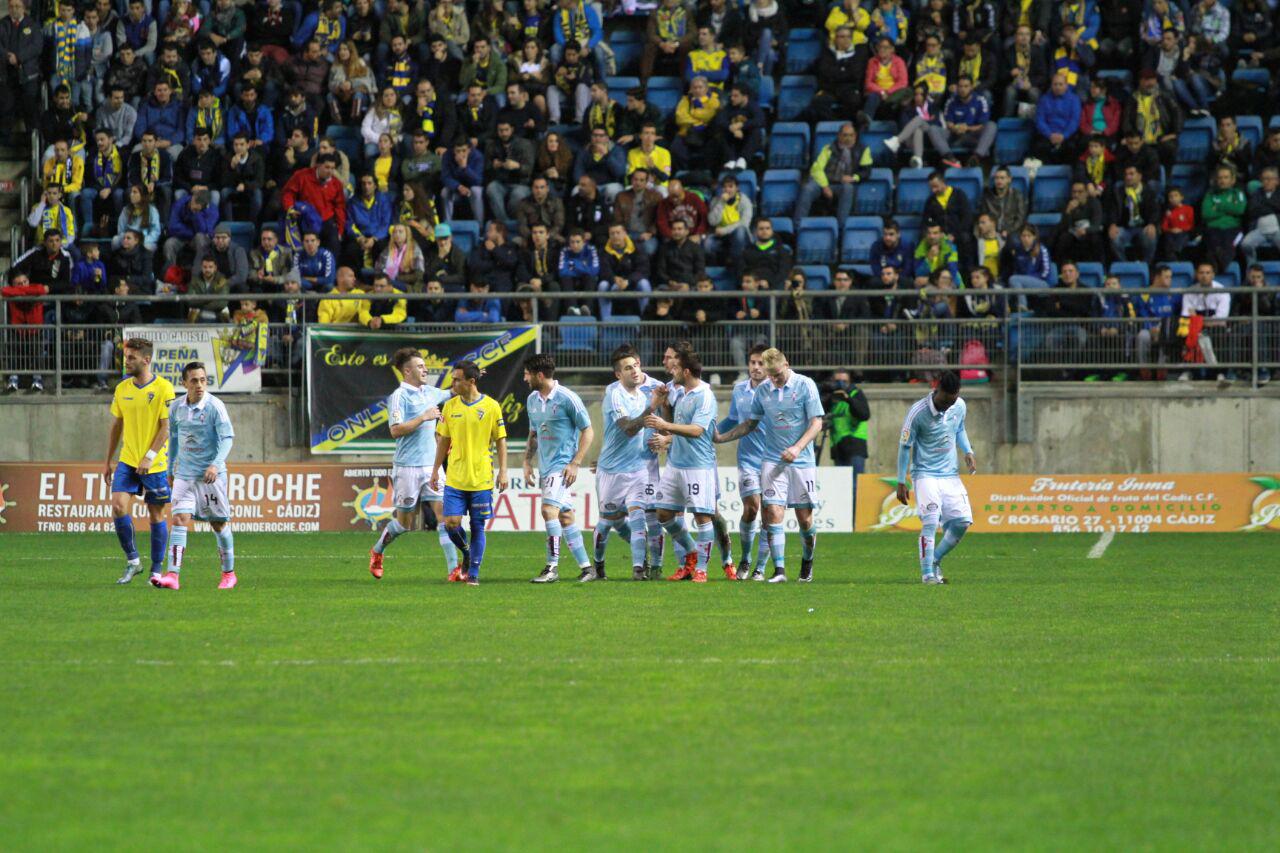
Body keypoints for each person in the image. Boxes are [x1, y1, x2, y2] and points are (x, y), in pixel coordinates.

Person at [713, 347, 824, 583]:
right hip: (772, 460)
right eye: (770, 375)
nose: (773, 378)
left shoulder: (805, 385)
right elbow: (749, 424)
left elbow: (816, 423)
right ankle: (779, 570)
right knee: (772, 512)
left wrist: (797, 447)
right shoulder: (763, 390)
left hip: (801, 461)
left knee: (805, 519)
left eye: (776, 374)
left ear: (786, 365)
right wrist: (723, 438)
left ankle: (807, 563)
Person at [369, 348, 461, 582]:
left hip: (432, 466)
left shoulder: (430, 392)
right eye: (420, 366)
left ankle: (454, 569)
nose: (425, 369)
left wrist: (471, 376)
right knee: (405, 523)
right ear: (407, 371)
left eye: (424, 366)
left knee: (446, 517)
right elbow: (395, 430)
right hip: (407, 467)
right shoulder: (399, 397)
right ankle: (377, 551)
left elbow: (453, 391)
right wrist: (423, 417)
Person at [428, 359, 508, 585]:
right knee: (451, 523)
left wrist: (503, 471)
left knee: (477, 526)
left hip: (481, 478)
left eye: (456, 379)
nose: (452, 383)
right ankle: (467, 553)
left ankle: (473, 574)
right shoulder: (451, 407)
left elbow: (501, 440)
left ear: (471, 382)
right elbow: (443, 440)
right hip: (455, 477)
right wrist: (435, 470)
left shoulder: (491, 406)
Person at [104, 338, 176, 585]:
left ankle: (156, 570)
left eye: (132, 357)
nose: (127, 361)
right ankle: (133, 561)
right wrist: (107, 461)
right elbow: (116, 425)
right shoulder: (122, 389)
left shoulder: (164, 388)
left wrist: (150, 456)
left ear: (146, 360)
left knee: (156, 515)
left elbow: (166, 428)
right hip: (127, 459)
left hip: (154, 464)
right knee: (117, 505)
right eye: (126, 356)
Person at [158, 361, 236, 591]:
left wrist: (215, 464)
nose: (200, 385)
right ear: (184, 383)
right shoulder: (176, 408)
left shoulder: (215, 407)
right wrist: (171, 469)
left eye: (203, 380)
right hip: (185, 475)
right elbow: (173, 439)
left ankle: (229, 574)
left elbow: (228, 438)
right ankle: (173, 575)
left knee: (218, 524)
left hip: (211, 476)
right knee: (179, 519)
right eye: (194, 380)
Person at [643, 347, 718, 583]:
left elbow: (696, 430)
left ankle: (702, 569)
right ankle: (692, 551)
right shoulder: (682, 392)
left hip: (698, 466)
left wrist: (665, 423)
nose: (670, 371)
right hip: (675, 463)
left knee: (702, 517)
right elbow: (670, 426)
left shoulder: (705, 395)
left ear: (686, 371)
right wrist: (664, 405)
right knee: (663, 513)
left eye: (675, 368)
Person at [896, 370, 975, 584]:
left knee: (962, 521)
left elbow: (959, 428)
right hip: (925, 475)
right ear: (936, 388)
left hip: (950, 475)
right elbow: (905, 447)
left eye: (952, 401)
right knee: (930, 522)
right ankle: (927, 574)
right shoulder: (918, 412)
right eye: (945, 400)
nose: (948, 405)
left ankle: (935, 560)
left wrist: (968, 451)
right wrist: (901, 481)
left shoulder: (958, 405)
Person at [592, 346, 664, 581]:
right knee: (606, 523)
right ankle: (598, 565)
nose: (634, 371)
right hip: (612, 471)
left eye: (635, 365)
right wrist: (652, 407)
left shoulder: (642, 396)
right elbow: (628, 429)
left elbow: (644, 430)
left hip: (638, 469)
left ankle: (638, 569)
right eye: (627, 368)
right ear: (618, 375)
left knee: (638, 518)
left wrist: (660, 442)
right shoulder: (614, 395)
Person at [522, 354, 595, 583]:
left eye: (527, 374)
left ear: (539, 375)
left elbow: (588, 431)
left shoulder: (567, 398)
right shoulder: (532, 399)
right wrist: (527, 461)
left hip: (562, 466)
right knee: (565, 516)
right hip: (545, 466)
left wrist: (575, 463)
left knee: (548, 511)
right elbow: (534, 433)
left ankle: (551, 567)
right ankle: (587, 568)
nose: (524, 378)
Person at [717, 344, 770, 580]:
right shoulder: (740, 389)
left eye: (761, 364)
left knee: (770, 514)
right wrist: (711, 434)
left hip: (774, 460)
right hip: (748, 459)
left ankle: (760, 566)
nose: (756, 368)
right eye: (753, 363)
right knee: (751, 508)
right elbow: (732, 418)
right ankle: (746, 559)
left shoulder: (776, 391)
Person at [795, 122, 870, 223]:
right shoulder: (828, 148)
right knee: (808, 188)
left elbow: (866, 171)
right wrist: (825, 186)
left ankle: (841, 227)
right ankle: (797, 225)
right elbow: (816, 169)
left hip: (843, 184)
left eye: (851, 135)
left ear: (855, 136)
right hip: (825, 182)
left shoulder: (863, 149)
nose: (848, 138)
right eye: (845, 135)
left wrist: (854, 177)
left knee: (848, 188)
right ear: (839, 136)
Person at [1032, 73, 1082, 164]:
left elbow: (1074, 121)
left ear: (1066, 85)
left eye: (1060, 84)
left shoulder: (1074, 99)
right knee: (1038, 147)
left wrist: (1064, 135)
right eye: (1055, 84)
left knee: (1073, 149)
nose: (1058, 87)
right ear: (1051, 85)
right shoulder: (1044, 99)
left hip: (1067, 136)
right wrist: (1049, 134)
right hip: (1048, 136)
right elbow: (1040, 120)